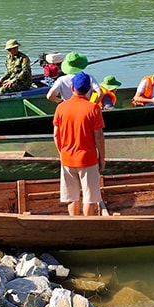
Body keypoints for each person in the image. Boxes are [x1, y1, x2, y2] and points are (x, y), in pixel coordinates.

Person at [53, 72, 107, 216]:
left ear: (72, 88)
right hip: (88, 159)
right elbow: (99, 137)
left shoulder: (61, 108)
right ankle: (88, 228)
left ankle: (74, 225)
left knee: (71, 197)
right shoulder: (93, 109)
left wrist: (62, 153)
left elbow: (56, 135)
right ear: (89, 89)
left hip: (67, 159)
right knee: (90, 198)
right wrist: (102, 157)